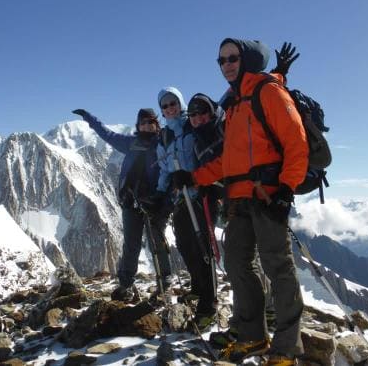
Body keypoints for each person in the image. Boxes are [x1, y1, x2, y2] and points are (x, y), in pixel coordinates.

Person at [172, 39, 308, 365]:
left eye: (232, 58)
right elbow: (228, 163)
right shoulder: (235, 104)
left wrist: (286, 190)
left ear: (246, 59)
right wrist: (195, 178)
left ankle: (287, 349)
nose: (226, 65)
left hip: (268, 196)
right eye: (221, 60)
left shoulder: (268, 92)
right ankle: (253, 336)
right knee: (236, 263)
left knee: (279, 268)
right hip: (240, 200)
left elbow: (297, 141)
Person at [72, 108, 171, 302]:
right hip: (131, 203)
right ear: (138, 125)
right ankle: (125, 284)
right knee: (131, 245)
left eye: (150, 122)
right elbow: (107, 134)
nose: (147, 126)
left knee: (157, 243)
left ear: (157, 125)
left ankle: (164, 284)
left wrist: (165, 202)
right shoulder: (130, 143)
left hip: (156, 204)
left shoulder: (163, 144)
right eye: (143, 123)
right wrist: (89, 118)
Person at [151, 87, 216, 327]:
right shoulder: (164, 137)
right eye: (165, 105)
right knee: (184, 243)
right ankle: (198, 287)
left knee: (203, 249)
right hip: (181, 197)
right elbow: (165, 169)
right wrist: (160, 193)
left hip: (202, 194)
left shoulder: (194, 124)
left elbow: (208, 156)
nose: (170, 108)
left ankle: (209, 304)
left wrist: (197, 178)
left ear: (180, 103)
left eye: (173, 103)